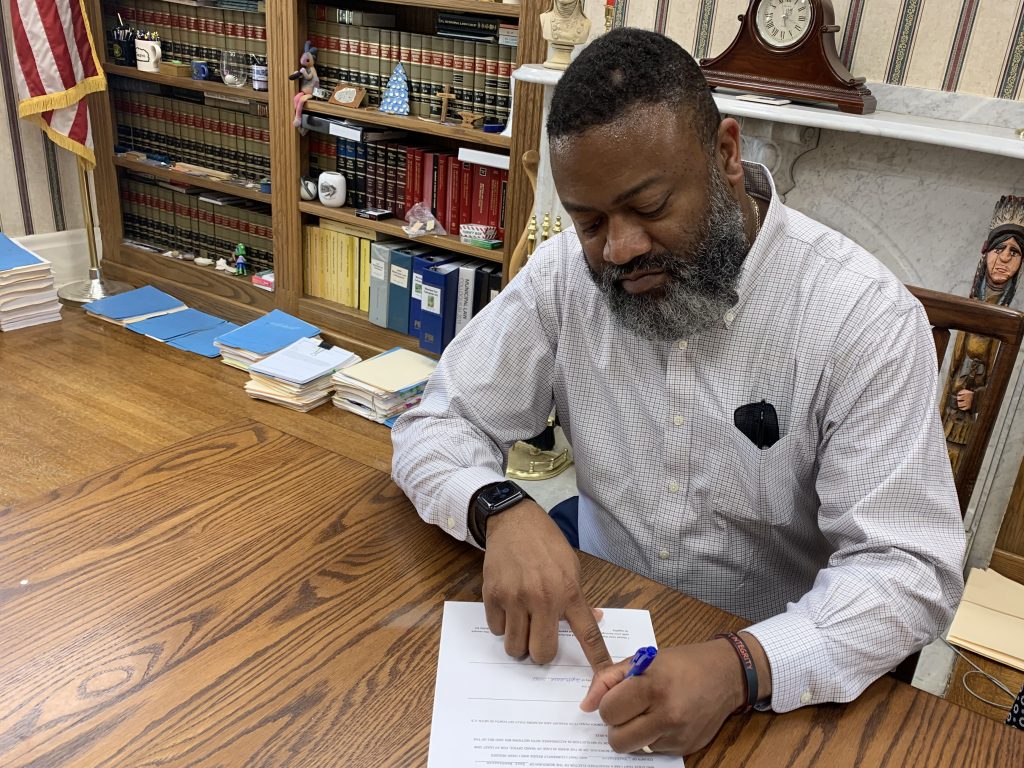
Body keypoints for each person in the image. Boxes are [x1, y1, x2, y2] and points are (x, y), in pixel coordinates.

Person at [391, 28, 965, 757]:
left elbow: (908, 569)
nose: (621, 248)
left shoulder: (861, 317)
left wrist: (742, 667)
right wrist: (497, 508)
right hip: (598, 627)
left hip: (778, 669)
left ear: (725, 154)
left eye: (650, 206)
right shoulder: (565, 274)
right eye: (591, 221)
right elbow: (436, 420)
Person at [940, 196, 1022, 474]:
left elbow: (999, 379)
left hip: (965, 423)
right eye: (1000, 248)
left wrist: (979, 399)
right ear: (986, 251)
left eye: (1015, 252)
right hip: (944, 414)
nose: (1005, 258)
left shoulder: (1008, 321)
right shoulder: (970, 305)